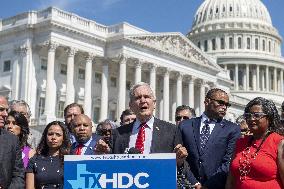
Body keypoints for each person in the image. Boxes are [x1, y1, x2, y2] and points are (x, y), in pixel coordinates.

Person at [110, 82, 187, 166]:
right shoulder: (117, 133)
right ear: (131, 105)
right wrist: (100, 154)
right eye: (138, 98)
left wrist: (180, 161)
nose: (143, 100)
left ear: (154, 103)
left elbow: (180, 167)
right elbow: (110, 166)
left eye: (146, 97)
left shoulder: (172, 131)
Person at [179, 88, 240, 189]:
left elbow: (228, 161)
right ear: (207, 102)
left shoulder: (232, 129)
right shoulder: (185, 126)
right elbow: (180, 158)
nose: (224, 107)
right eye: (220, 103)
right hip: (189, 185)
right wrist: (195, 183)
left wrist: (208, 186)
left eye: (226, 105)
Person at [226, 97, 284, 189]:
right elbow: (230, 180)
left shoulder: (279, 143)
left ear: (269, 118)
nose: (251, 119)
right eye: (248, 115)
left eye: (257, 115)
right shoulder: (240, 143)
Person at [26, 121, 70, 189]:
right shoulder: (34, 161)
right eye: (50, 134)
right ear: (45, 136)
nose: (53, 137)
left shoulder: (70, 160)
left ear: (63, 138)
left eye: (58, 134)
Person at [0, 96, 24, 188]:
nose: (5, 114)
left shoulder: (12, 140)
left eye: (7, 110)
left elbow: (18, 174)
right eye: (1, 109)